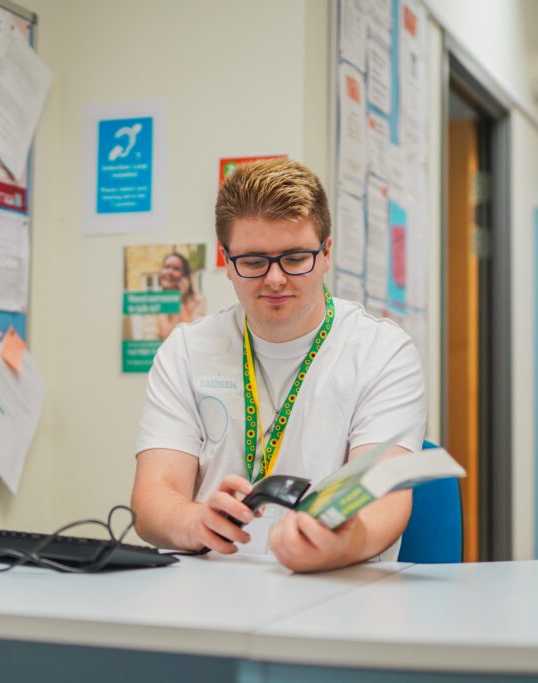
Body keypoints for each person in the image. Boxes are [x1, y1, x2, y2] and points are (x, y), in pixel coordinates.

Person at [130, 158, 426, 573]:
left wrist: (334, 545)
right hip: (209, 589)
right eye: (252, 261)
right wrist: (195, 521)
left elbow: (385, 496)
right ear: (226, 260)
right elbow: (153, 497)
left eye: (294, 258)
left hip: (337, 587)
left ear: (326, 253)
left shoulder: (381, 350)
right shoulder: (186, 350)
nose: (274, 279)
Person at [155, 252, 207, 340]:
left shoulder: (198, 301)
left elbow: (193, 336)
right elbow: (150, 337)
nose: (170, 272)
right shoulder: (154, 300)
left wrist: (180, 301)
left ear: (185, 276)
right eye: (166, 267)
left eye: (176, 269)